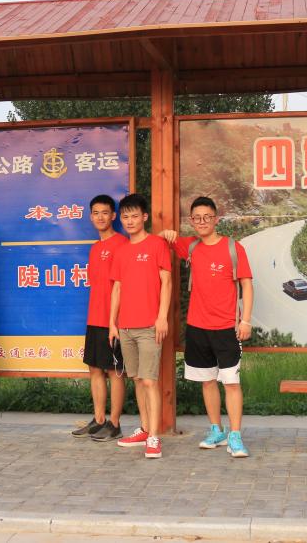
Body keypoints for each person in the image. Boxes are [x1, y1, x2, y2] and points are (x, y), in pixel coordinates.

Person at [160, 196, 254, 458]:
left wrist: (245, 320)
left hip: (226, 328)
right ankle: (216, 430)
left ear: (216, 219)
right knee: (207, 381)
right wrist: (166, 234)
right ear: (192, 221)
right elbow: (160, 241)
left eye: (207, 217)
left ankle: (235, 435)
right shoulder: (190, 246)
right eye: (197, 218)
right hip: (197, 327)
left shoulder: (233, 248)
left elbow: (247, 285)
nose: (202, 222)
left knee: (231, 383)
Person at [108, 194, 172, 459]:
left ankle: (154, 437)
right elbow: (117, 288)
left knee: (149, 381)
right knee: (136, 378)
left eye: (135, 216)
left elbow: (166, 282)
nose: (130, 221)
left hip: (149, 326)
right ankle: (144, 429)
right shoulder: (121, 251)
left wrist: (162, 317)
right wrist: (112, 323)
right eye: (125, 217)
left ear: (144, 217)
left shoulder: (157, 244)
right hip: (125, 327)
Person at [72, 194, 129, 442]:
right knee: (94, 369)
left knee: (114, 372)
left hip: (114, 321)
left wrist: (115, 321)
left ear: (113, 216)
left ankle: (114, 424)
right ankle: (98, 420)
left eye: (105, 212)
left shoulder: (123, 244)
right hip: (94, 318)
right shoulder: (95, 248)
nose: (100, 217)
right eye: (95, 213)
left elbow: (124, 286)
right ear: (90, 216)